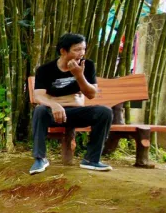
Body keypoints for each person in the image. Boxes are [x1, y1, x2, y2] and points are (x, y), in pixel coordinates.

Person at [29, 33, 112, 174]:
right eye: (77, 50)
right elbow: (38, 96)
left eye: (83, 49)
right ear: (63, 51)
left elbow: (91, 94)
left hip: (76, 114)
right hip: (53, 114)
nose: (81, 53)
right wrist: (54, 104)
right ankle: (40, 158)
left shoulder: (87, 66)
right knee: (39, 110)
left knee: (104, 112)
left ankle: (91, 160)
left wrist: (79, 76)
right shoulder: (45, 70)